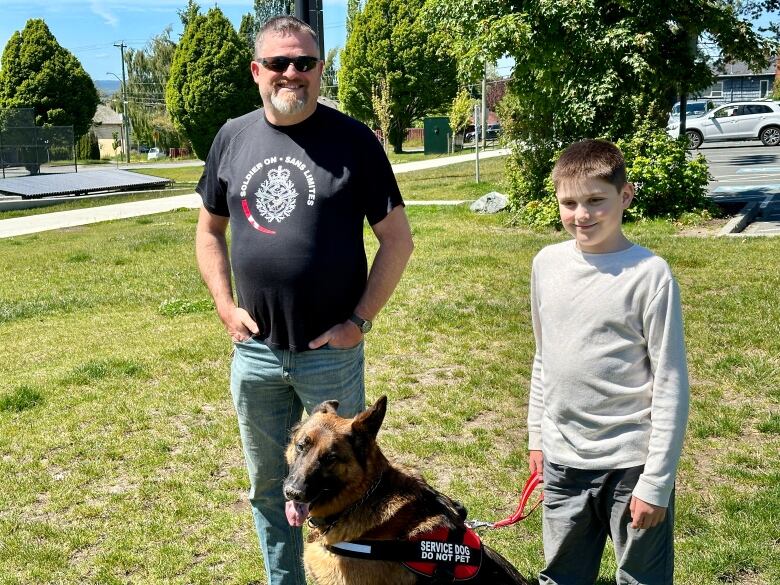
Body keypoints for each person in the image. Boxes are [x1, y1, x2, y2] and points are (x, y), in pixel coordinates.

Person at [194, 15, 413, 585]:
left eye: (305, 63)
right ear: (257, 71)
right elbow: (208, 231)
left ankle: (345, 576)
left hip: (329, 354)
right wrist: (224, 305)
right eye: (278, 63)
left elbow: (397, 239)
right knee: (272, 486)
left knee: (344, 487)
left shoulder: (355, 141)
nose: (291, 73)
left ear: (320, 69)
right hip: (257, 353)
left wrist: (359, 321)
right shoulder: (232, 138)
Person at [526, 139, 690, 585]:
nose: (582, 215)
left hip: (630, 466)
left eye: (596, 200)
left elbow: (671, 382)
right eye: (570, 202)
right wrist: (537, 437)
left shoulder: (650, 274)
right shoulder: (546, 264)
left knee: (640, 578)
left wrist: (655, 483)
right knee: (562, 576)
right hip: (563, 463)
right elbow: (545, 357)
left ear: (626, 195)